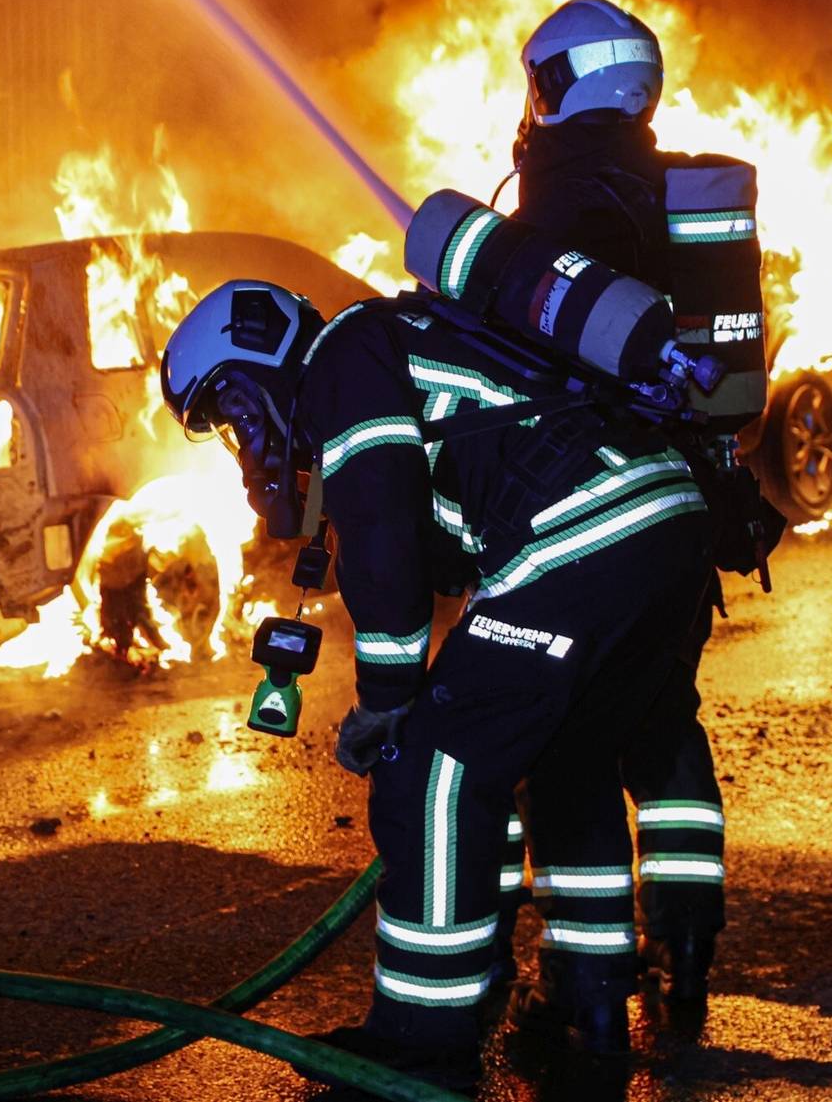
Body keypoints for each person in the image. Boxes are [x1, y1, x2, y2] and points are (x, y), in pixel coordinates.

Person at [158, 278, 714, 1088]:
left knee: (434, 772)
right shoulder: (403, 341)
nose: (244, 444)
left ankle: (422, 1039)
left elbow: (386, 541)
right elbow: (444, 535)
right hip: (666, 524)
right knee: (567, 765)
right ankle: (589, 1006)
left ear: (259, 361)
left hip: (584, 530)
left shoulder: (341, 360)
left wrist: (387, 701)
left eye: (232, 415)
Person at [498, 0, 777, 1031]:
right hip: (689, 517)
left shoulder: (562, 204)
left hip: (590, 524)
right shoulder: (678, 196)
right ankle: (689, 937)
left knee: (568, 745)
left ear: (561, 83)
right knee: (664, 727)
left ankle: (586, 984)